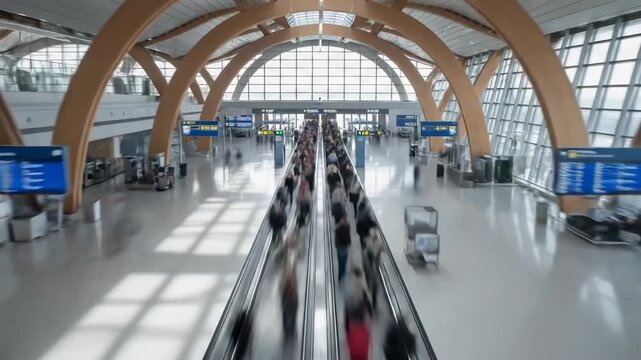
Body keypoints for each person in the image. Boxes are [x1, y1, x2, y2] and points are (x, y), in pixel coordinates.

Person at [364, 228, 383, 310]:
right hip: (371, 258)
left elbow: (381, 248)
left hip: (374, 259)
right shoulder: (369, 242)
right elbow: (369, 249)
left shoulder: (377, 241)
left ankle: (373, 303)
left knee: (374, 285)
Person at [281, 266, 298, 337]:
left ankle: (289, 328)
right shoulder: (287, 288)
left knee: (290, 314)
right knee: (287, 314)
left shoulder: (291, 288)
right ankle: (288, 328)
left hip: (290, 302)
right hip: (289, 301)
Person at [334, 215, 351, 281]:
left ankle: (340, 277)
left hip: (340, 247)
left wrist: (336, 245)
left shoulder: (338, 229)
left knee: (340, 263)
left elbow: (336, 239)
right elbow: (348, 239)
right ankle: (342, 277)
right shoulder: (346, 229)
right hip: (343, 247)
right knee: (343, 263)